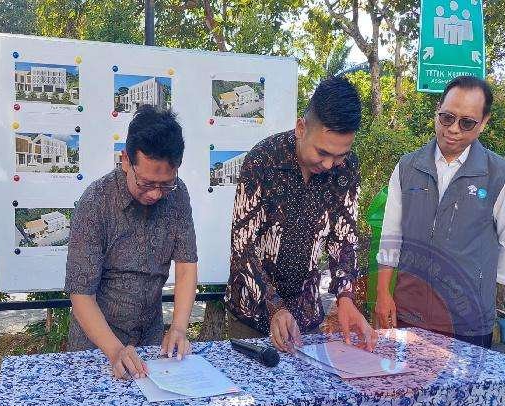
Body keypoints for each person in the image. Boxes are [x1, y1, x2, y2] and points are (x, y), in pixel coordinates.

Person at [225, 77, 377, 353]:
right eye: (322, 152)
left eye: (340, 155)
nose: (329, 164)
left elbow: (344, 238)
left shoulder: (347, 169)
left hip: (306, 317)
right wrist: (275, 307)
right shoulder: (262, 160)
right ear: (300, 128)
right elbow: (242, 247)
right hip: (252, 315)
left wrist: (345, 297)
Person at [375, 76, 505, 348]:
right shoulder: (407, 167)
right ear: (437, 110)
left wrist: (480, 285)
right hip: (410, 314)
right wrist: (383, 294)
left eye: (467, 123)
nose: (453, 129)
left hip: (468, 323)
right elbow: (391, 234)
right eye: (447, 117)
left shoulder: (501, 176)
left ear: (483, 122)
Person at [64, 105, 198, 379]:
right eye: (146, 183)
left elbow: (186, 266)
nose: (156, 194)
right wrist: (115, 351)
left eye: (165, 184)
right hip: (98, 347)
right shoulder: (96, 202)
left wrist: (178, 328)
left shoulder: (178, 195)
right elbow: (81, 295)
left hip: (151, 342)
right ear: (125, 160)